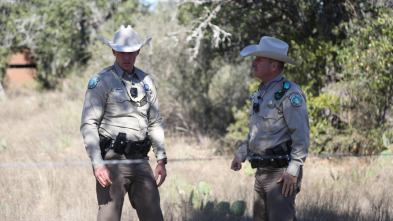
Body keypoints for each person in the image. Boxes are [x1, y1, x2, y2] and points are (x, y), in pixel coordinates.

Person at [80, 25, 167, 221]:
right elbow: (89, 124)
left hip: (141, 160)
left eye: (131, 52)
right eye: (121, 52)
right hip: (113, 161)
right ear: (113, 51)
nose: (126, 57)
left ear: (138, 51)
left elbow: (155, 122)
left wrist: (161, 159)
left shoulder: (147, 81)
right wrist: (97, 163)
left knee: (154, 217)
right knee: (108, 218)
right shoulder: (102, 81)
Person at [230, 36, 309, 221]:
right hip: (261, 173)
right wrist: (242, 153)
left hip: (281, 175)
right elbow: (255, 132)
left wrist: (293, 171)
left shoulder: (291, 94)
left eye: (259, 59)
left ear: (274, 66)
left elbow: (301, 137)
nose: (253, 62)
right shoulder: (261, 93)